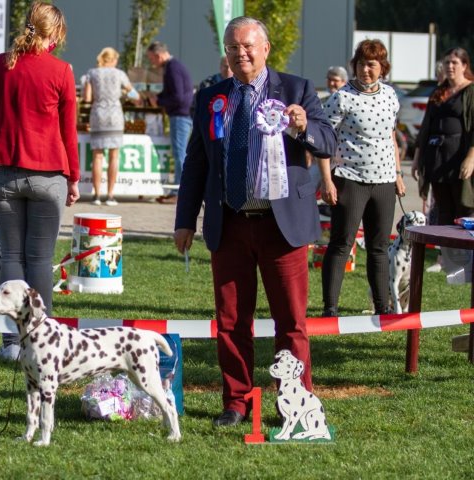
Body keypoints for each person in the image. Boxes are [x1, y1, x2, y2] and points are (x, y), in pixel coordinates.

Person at [173, 16, 336, 427]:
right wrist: (184, 219)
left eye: (247, 46)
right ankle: (236, 402)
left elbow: (328, 139)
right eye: (232, 47)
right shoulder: (212, 97)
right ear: (225, 53)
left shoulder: (296, 89)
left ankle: (293, 403)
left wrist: (302, 126)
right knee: (230, 322)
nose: (240, 53)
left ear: (265, 48)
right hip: (229, 224)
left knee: (291, 323)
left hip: (282, 227)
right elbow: (196, 162)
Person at [0, 2, 79, 360]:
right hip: (48, 173)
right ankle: (43, 342)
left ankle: (9, 343)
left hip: (3, 171)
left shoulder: (0, 65)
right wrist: (75, 177)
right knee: (39, 259)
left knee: (12, 257)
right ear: (56, 33)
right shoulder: (62, 70)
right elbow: (69, 131)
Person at [318, 39, 406, 317]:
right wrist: (327, 180)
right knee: (342, 243)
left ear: (382, 68)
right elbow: (322, 141)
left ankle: (382, 308)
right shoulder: (341, 97)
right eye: (360, 64)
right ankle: (330, 308)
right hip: (349, 178)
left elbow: (390, 136)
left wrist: (398, 174)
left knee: (379, 247)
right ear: (353, 66)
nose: (365, 70)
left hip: (384, 181)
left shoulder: (390, 95)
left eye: (372, 64)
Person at [412, 47, 474, 227]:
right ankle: (445, 254)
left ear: (464, 65)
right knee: (443, 210)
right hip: (436, 158)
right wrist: (417, 159)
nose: (450, 66)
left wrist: (471, 158)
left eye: (454, 62)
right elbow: (425, 127)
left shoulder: (470, 91)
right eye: (447, 62)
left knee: (463, 207)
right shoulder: (438, 91)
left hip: (459, 158)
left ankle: (463, 253)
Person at [83, 47, 138, 206]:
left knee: (97, 156)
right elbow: (134, 94)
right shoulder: (119, 74)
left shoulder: (92, 73)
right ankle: (111, 195)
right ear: (113, 60)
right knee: (114, 156)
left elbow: (87, 98)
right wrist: (128, 95)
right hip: (115, 116)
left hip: (98, 115)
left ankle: (97, 196)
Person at [145, 41, 194, 204]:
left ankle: (179, 190)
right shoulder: (173, 67)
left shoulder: (172, 68)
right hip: (182, 114)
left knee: (180, 154)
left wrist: (159, 101)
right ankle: (179, 189)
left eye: (152, 59)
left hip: (180, 115)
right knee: (180, 153)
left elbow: (177, 97)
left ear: (159, 55)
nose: (152, 63)